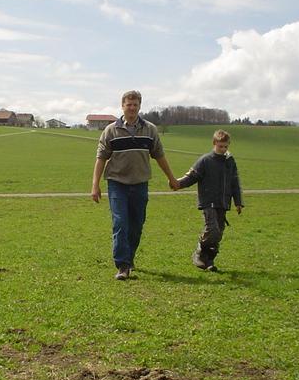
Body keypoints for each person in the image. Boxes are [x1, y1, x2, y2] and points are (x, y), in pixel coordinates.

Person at [91, 90, 179, 280]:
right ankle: (122, 265)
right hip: (117, 184)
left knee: (136, 225)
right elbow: (100, 159)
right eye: (128, 104)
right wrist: (95, 185)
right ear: (122, 106)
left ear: (140, 106)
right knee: (120, 222)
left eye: (135, 105)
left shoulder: (150, 130)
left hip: (140, 184)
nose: (132, 108)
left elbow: (160, 156)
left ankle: (129, 260)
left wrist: (172, 178)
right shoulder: (111, 131)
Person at [175, 129, 243, 272]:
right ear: (214, 143)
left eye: (226, 146)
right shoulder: (205, 160)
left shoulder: (230, 162)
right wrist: (178, 184)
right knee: (212, 229)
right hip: (208, 201)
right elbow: (192, 176)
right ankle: (199, 251)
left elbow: (235, 182)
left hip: (223, 202)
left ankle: (209, 260)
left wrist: (238, 201)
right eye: (220, 146)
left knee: (219, 233)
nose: (223, 149)